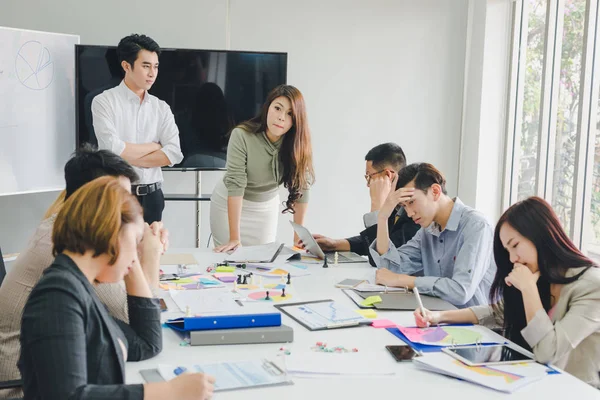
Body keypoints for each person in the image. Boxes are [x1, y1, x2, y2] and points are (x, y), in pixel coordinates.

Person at [18, 176, 214, 399]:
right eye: (135, 240)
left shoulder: (78, 286)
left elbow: (146, 343)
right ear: (111, 233)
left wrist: (131, 258)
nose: (136, 253)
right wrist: (164, 392)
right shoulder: (57, 297)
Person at [0, 145, 168, 399]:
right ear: (95, 205)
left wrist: (130, 242)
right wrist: (146, 256)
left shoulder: (73, 245)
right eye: (120, 203)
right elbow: (141, 330)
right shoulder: (63, 255)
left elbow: (139, 340)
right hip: (21, 390)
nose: (127, 210)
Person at [414, 197, 600, 388]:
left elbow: (548, 352)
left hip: (575, 390)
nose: (513, 258)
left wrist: (528, 290)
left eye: (515, 245)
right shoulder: (540, 275)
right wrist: (437, 316)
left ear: (541, 236)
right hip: (535, 383)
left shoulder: (592, 286)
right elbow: (495, 312)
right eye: (507, 250)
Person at [370, 163, 496, 307]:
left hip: (473, 324)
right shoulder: (427, 231)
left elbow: (460, 291)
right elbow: (388, 267)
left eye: (411, 202)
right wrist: (383, 217)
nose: (410, 213)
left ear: (435, 191)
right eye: (404, 206)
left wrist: (403, 280)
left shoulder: (476, 225)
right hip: (436, 316)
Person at [92, 34, 184, 223]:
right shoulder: (104, 101)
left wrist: (126, 156)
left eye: (156, 66)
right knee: (116, 252)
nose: (152, 73)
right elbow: (111, 150)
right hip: (118, 196)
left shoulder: (161, 107)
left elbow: (174, 153)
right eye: (146, 66)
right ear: (126, 66)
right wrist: (154, 146)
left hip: (153, 197)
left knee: (151, 250)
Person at [210, 84, 314, 251]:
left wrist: (298, 239)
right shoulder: (241, 135)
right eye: (277, 108)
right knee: (229, 260)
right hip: (229, 204)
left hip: (264, 208)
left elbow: (303, 189)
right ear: (267, 108)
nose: (281, 117)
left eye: (289, 114)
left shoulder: (298, 144)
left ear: (296, 121)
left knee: (262, 263)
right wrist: (234, 238)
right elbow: (236, 184)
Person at [305, 143, 420, 266]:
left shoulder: (414, 211)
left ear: (388, 175)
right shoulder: (395, 205)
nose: (368, 183)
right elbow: (375, 241)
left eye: (369, 176)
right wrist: (334, 244)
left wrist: (377, 205)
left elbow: (379, 258)